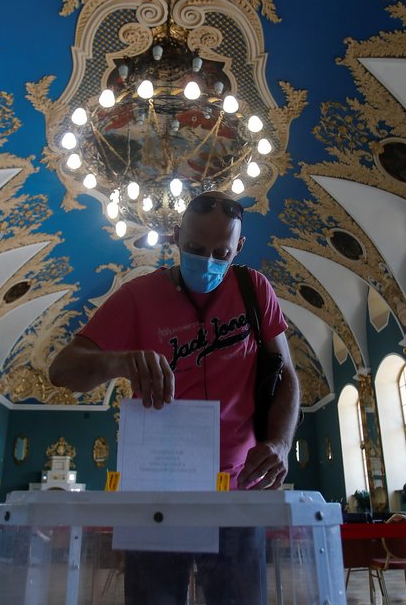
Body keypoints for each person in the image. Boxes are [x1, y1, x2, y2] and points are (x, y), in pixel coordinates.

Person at [49, 190, 301, 604]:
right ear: (174, 237)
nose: (208, 261)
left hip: (238, 490)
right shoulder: (138, 296)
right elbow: (62, 371)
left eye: (221, 252)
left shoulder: (255, 289)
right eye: (195, 249)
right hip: (157, 494)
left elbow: (286, 373)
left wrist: (280, 442)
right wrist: (120, 362)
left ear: (239, 247)